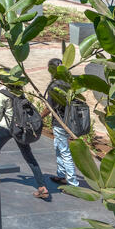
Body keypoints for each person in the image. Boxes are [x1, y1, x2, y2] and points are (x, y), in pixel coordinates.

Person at [0, 85, 50, 200]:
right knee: (29, 156)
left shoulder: (3, 93)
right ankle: (42, 186)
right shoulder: (19, 89)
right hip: (20, 128)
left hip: (6, 126)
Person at [43, 59, 80, 188]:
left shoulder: (54, 86)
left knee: (64, 151)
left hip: (60, 122)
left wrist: (39, 117)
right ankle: (61, 175)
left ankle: (72, 182)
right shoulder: (69, 83)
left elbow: (49, 107)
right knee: (58, 148)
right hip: (68, 121)